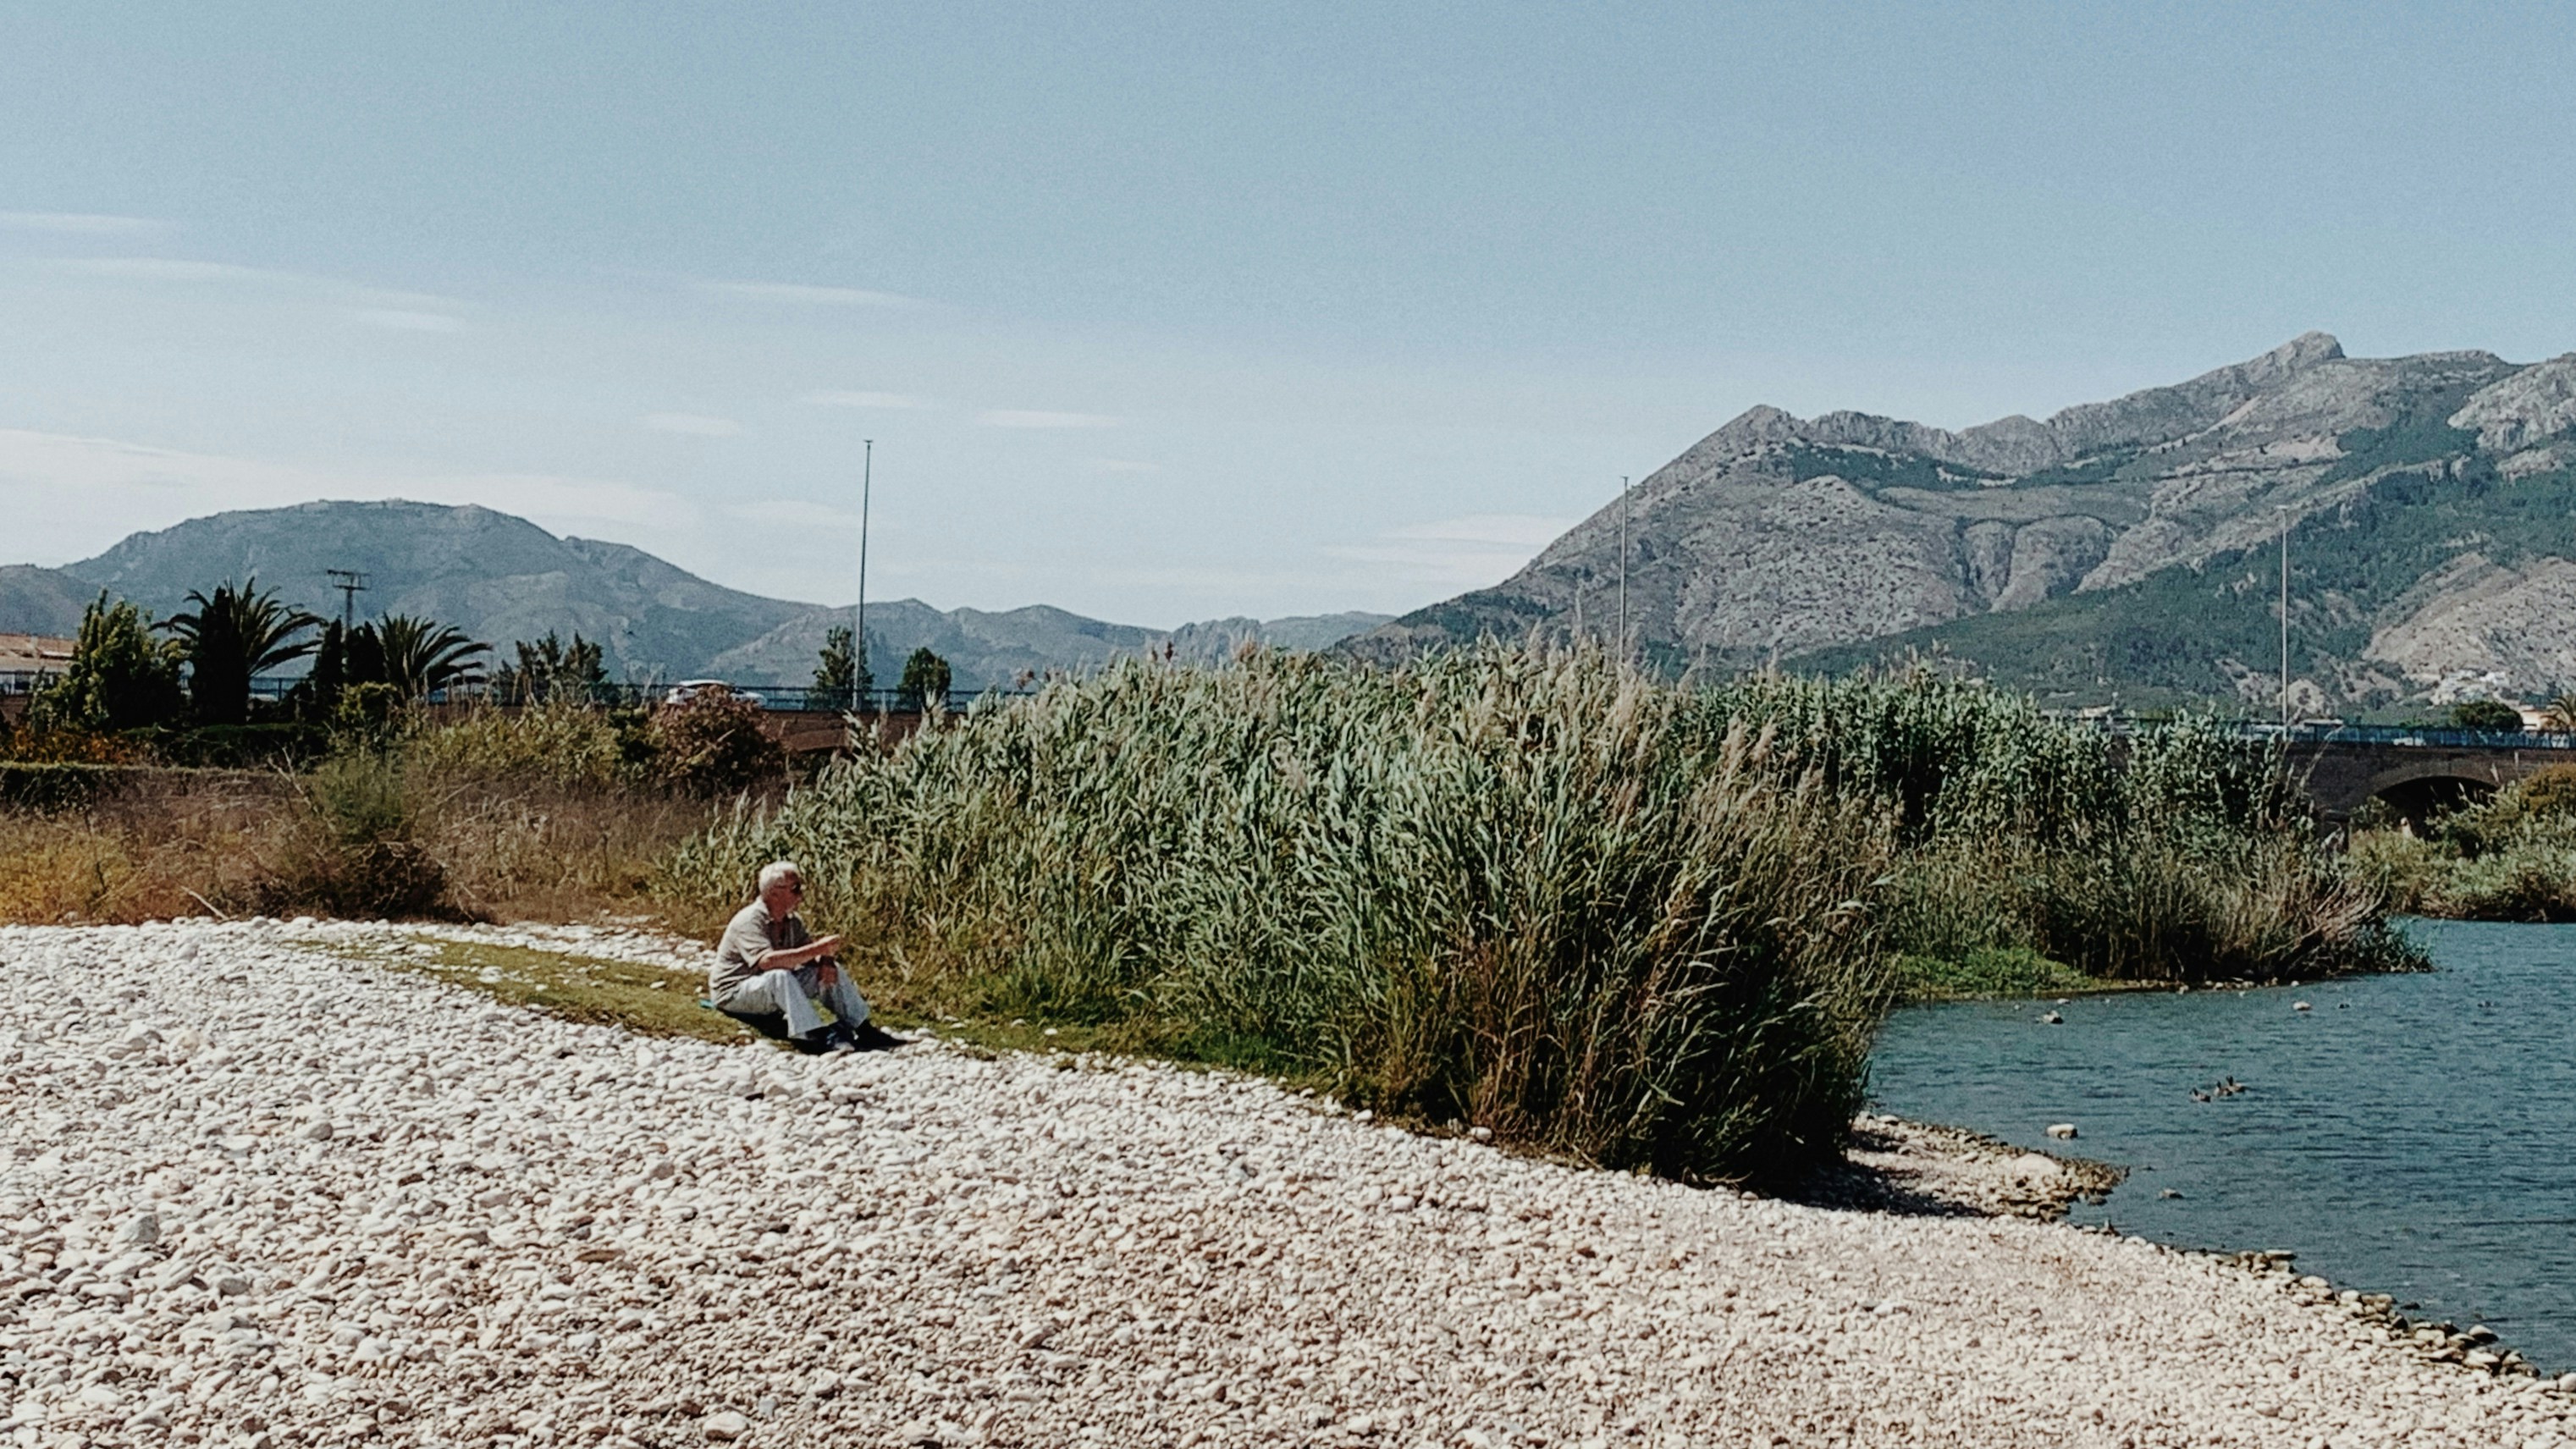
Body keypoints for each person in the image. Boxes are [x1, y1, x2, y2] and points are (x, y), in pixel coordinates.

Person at [709, 861, 902, 1053]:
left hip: (766, 988)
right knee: (780, 976)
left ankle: (863, 1028)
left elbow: (808, 954)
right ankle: (812, 1035)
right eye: (795, 889)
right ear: (774, 892)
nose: (801, 895)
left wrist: (826, 960)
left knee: (831, 971)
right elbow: (767, 962)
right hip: (734, 991)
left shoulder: (792, 922)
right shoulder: (750, 920)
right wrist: (819, 948)